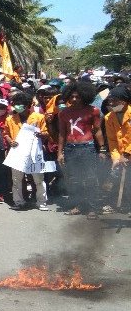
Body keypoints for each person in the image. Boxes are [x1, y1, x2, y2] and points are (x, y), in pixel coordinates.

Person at [57, 81, 106, 219]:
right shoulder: (64, 113)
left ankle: (92, 208)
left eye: (77, 97)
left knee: (90, 178)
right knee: (74, 179)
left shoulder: (93, 111)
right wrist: (60, 153)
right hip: (70, 149)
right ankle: (77, 205)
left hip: (87, 148)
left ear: (84, 96)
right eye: (71, 96)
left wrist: (102, 149)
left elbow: (97, 130)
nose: (74, 99)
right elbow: (62, 133)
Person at [4, 92, 49, 211]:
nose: (17, 107)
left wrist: (41, 134)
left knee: (38, 178)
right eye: (16, 104)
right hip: (17, 152)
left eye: (20, 104)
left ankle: (41, 202)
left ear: (28, 105)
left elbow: (46, 132)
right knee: (16, 179)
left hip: (34, 153)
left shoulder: (38, 117)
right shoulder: (10, 119)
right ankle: (18, 201)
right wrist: (10, 141)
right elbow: (6, 134)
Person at [102, 84, 130, 210]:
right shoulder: (109, 117)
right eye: (110, 101)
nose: (111, 103)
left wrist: (127, 153)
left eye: (114, 101)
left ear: (123, 101)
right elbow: (112, 140)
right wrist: (116, 158)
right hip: (121, 155)